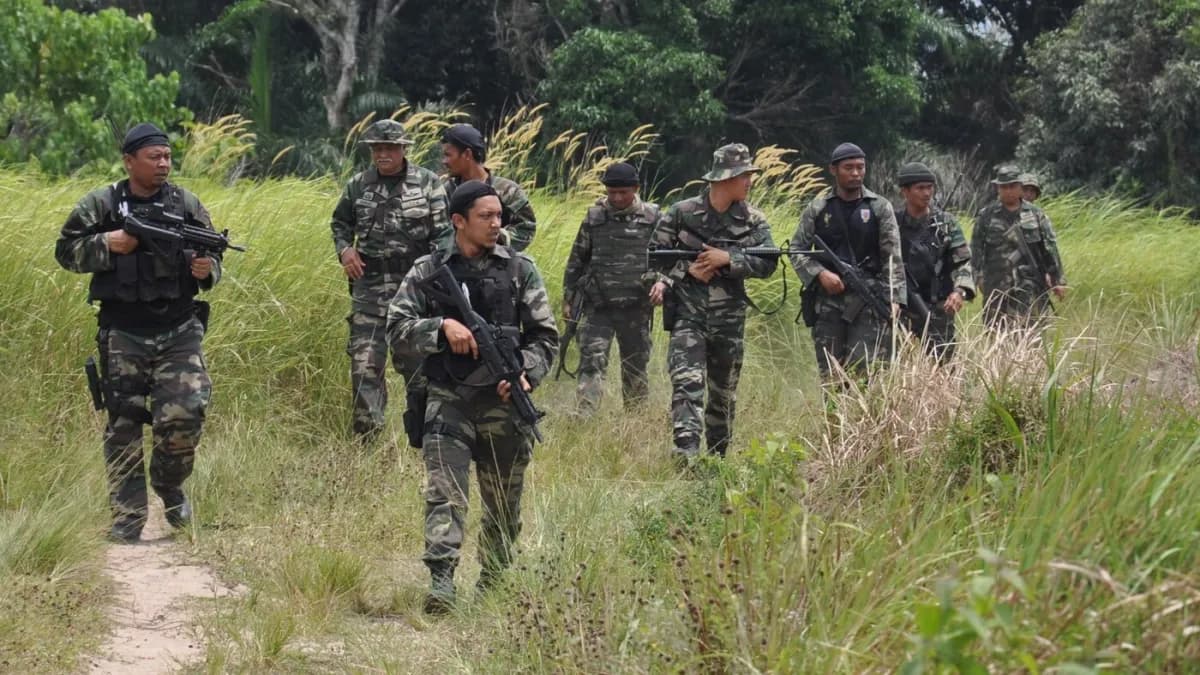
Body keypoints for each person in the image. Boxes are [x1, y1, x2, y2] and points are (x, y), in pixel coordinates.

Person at [387, 180, 557, 613]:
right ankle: (442, 582)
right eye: (486, 216)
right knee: (445, 492)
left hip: (503, 404)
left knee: (503, 499)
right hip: (450, 397)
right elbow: (396, 328)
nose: (496, 224)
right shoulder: (428, 270)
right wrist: (440, 328)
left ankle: (495, 579)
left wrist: (526, 376)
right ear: (458, 221)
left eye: (499, 216)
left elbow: (546, 338)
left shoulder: (521, 270)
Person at [54, 123, 221, 543]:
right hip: (123, 330)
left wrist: (207, 269)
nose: (164, 163)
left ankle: (170, 486)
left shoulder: (185, 202)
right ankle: (128, 518)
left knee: (184, 414)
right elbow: (65, 252)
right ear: (130, 161)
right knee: (123, 424)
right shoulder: (102, 203)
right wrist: (108, 243)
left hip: (179, 327)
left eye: (167, 156)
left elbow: (212, 254)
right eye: (154, 157)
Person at [648, 143, 777, 460]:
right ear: (725, 178)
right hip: (688, 319)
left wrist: (728, 259)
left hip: (729, 324)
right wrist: (684, 271)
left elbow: (770, 263)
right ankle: (686, 453)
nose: (749, 181)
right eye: (744, 175)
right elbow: (652, 262)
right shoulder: (681, 214)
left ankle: (718, 460)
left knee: (723, 396)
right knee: (687, 385)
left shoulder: (754, 221)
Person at [330, 119, 449, 441]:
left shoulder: (427, 184)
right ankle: (369, 440)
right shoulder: (358, 185)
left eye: (389, 148)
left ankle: (425, 439)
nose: (383, 154)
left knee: (418, 370)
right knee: (364, 367)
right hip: (369, 288)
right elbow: (340, 224)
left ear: (402, 150)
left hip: (413, 291)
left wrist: (430, 276)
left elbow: (444, 237)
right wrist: (345, 251)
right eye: (377, 149)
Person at [789, 143, 905, 380]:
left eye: (861, 167)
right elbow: (796, 249)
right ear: (834, 170)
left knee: (864, 373)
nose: (856, 173)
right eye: (848, 168)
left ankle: (860, 418)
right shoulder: (818, 207)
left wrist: (894, 298)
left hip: (868, 300)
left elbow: (892, 257)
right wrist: (820, 273)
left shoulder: (879, 207)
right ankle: (833, 418)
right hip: (828, 303)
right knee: (831, 375)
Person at [561, 162, 659, 414]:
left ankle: (636, 421)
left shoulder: (653, 218)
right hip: (598, 306)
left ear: (636, 189)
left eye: (623, 192)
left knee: (635, 365)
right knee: (591, 361)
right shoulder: (594, 218)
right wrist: (569, 297)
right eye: (611, 192)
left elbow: (665, 259)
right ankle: (585, 416)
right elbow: (577, 260)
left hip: (636, 306)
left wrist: (661, 283)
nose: (616, 198)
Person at [895, 162, 976, 362]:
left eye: (929, 187)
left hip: (937, 307)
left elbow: (964, 262)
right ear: (905, 191)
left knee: (943, 366)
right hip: (898, 308)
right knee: (893, 366)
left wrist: (959, 291)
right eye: (920, 188)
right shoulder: (891, 223)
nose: (926, 193)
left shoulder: (946, 223)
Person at [972, 165, 1067, 328]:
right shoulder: (986, 216)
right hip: (996, 285)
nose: (1008, 191)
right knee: (997, 333)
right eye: (1003, 187)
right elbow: (976, 249)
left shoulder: (1036, 215)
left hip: (1030, 286)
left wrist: (1057, 279)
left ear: (1020, 187)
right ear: (997, 188)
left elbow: (1050, 248)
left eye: (1012, 186)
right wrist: (977, 277)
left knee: (1032, 335)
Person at [440, 123, 537, 251]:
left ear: (467, 154)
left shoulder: (507, 191)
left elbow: (526, 228)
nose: (444, 161)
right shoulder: (446, 191)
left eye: (448, 155)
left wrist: (494, 237)